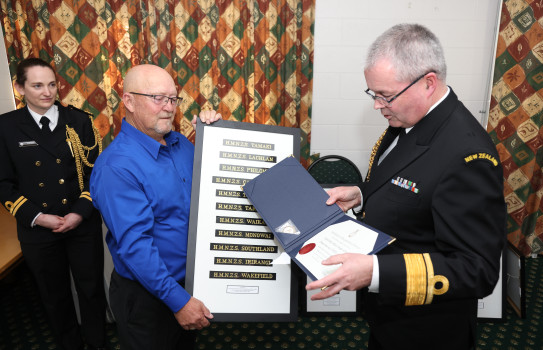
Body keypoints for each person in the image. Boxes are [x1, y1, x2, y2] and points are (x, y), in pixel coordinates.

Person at [306, 24, 506, 350]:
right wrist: (361, 194)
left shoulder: (468, 155)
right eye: (373, 94)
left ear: (428, 83)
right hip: (389, 313)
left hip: (427, 329)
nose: (377, 105)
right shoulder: (413, 118)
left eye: (385, 95)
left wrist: (376, 272)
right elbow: (412, 183)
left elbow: (477, 269)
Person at [89, 64, 221, 350]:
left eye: (173, 99)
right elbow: (136, 247)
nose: (168, 107)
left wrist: (215, 137)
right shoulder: (117, 166)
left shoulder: (181, 145)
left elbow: (210, 192)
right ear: (129, 101)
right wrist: (179, 300)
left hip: (187, 284)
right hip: (148, 296)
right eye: (157, 98)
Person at [0, 58, 107, 349]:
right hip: (38, 228)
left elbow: (95, 174)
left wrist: (79, 213)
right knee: (53, 295)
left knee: (92, 289)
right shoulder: (6, 127)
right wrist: (38, 217)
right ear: (19, 87)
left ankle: (98, 343)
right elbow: (3, 184)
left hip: (80, 221)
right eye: (37, 85)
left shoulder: (79, 121)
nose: (47, 92)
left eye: (51, 84)